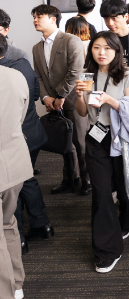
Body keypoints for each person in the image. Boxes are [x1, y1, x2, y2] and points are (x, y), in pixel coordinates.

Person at [75, 31, 129, 273]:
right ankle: (108, 250)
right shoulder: (87, 75)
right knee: (102, 192)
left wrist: (109, 99)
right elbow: (83, 112)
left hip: (122, 140)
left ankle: (127, 220)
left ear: (117, 51)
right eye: (97, 48)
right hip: (97, 138)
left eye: (107, 48)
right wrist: (78, 96)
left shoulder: (127, 74)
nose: (101, 53)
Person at [31, 4, 91, 195]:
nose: (35, 20)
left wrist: (60, 96)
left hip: (74, 100)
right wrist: (46, 97)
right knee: (64, 143)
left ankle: (87, 180)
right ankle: (70, 179)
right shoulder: (36, 47)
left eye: (39, 16)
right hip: (54, 103)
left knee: (80, 143)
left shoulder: (70, 40)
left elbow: (75, 71)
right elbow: (38, 76)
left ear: (53, 19)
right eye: (34, 17)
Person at [1, 35, 51, 256]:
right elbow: (34, 96)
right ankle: (42, 225)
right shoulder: (22, 62)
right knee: (26, 178)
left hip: (14, 139)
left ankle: (19, 238)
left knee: (12, 185)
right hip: (31, 132)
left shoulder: (6, 73)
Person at [0, 62, 32, 299]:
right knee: (8, 223)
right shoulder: (16, 76)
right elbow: (20, 118)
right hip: (15, 164)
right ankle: (17, 284)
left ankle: (6, 293)